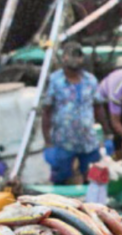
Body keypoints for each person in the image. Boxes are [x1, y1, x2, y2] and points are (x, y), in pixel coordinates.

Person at [42, 42, 106, 185]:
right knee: (61, 178)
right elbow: (47, 111)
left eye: (78, 56)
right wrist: (47, 142)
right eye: (71, 56)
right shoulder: (55, 80)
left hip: (88, 140)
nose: (75, 60)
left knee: (94, 179)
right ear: (63, 58)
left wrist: (107, 134)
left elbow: (98, 107)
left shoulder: (90, 80)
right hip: (63, 140)